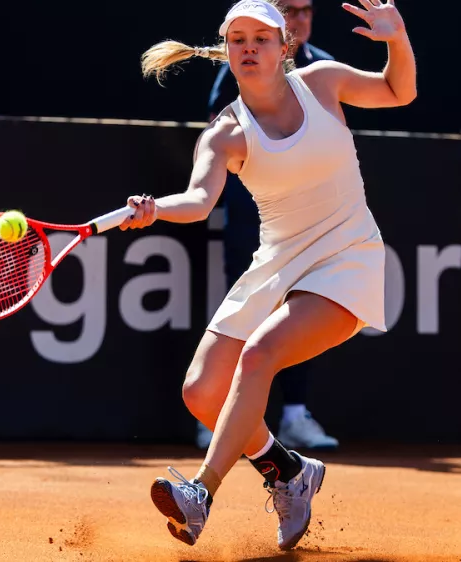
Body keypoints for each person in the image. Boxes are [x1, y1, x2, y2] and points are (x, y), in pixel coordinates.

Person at [128, 0, 416, 550]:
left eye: (261, 39)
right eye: (238, 39)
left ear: (285, 47)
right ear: (227, 50)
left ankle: (201, 492)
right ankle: (288, 472)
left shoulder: (323, 82)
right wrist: (155, 209)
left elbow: (397, 91)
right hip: (278, 262)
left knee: (258, 355)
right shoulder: (225, 132)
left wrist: (396, 40)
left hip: (347, 255)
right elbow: (198, 200)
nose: (249, 48)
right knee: (202, 392)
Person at [197, 0, 340, 453]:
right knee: (244, 316)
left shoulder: (322, 68)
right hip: (252, 216)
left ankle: (294, 414)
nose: (300, 19)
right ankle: (218, 414)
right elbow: (219, 133)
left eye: (306, 10)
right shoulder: (241, 68)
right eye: (291, 10)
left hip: (309, 221)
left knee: (297, 317)